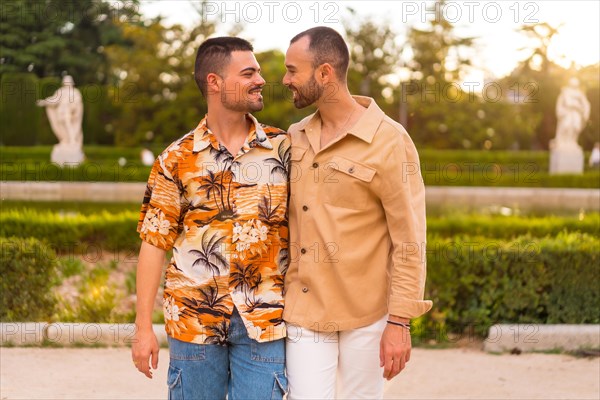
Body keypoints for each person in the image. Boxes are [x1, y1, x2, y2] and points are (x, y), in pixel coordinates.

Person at [131, 37, 290, 399]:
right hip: (193, 322)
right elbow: (154, 244)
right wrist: (143, 328)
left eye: (260, 72)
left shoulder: (284, 150)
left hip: (264, 322)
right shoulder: (176, 158)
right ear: (215, 83)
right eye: (248, 72)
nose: (261, 80)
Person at [282, 27, 432, 399]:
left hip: (368, 316)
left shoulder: (390, 139)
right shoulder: (295, 135)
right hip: (304, 309)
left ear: (324, 74)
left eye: (292, 70)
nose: (285, 80)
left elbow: (409, 238)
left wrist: (399, 321)